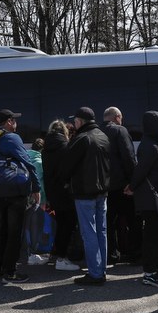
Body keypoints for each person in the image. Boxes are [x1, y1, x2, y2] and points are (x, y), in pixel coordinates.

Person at [0, 109, 39, 284]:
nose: (16, 123)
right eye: (14, 120)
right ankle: (10, 271)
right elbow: (27, 162)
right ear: (8, 122)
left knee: (3, 230)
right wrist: (36, 187)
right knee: (15, 232)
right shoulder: (12, 138)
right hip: (14, 190)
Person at [126, 110, 158, 288]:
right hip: (151, 200)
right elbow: (141, 171)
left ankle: (154, 270)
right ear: (156, 127)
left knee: (156, 236)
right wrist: (132, 187)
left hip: (153, 199)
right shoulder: (150, 146)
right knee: (152, 237)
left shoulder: (152, 144)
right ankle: (150, 273)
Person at [67, 107, 111, 285]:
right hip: (103, 191)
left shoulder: (81, 139)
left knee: (89, 233)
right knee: (101, 231)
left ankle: (95, 273)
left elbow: (67, 166)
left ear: (80, 121)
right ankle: (101, 270)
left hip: (85, 192)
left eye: (76, 120)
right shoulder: (103, 135)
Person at [100, 107, 138, 264]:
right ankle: (135, 253)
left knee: (107, 223)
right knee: (132, 220)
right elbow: (128, 157)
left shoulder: (97, 132)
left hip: (103, 186)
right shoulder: (120, 131)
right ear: (117, 117)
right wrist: (133, 181)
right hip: (122, 186)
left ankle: (111, 255)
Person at [41, 120, 79, 272]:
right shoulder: (66, 147)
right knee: (68, 225)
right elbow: (68, 170)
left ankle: (58, 253)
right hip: (66, 191)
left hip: (52, 192)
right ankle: (62, 258)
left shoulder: (45, 149)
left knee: (61, 223)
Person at [23, 138, 49, 266]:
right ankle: (33, 254)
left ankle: (27, 251)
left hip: (23, 198)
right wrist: (44, 200)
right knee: (35, 226)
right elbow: (39, 184)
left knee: (25, 226)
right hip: (36, 199)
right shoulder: (38, 162)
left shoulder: (25, 157)